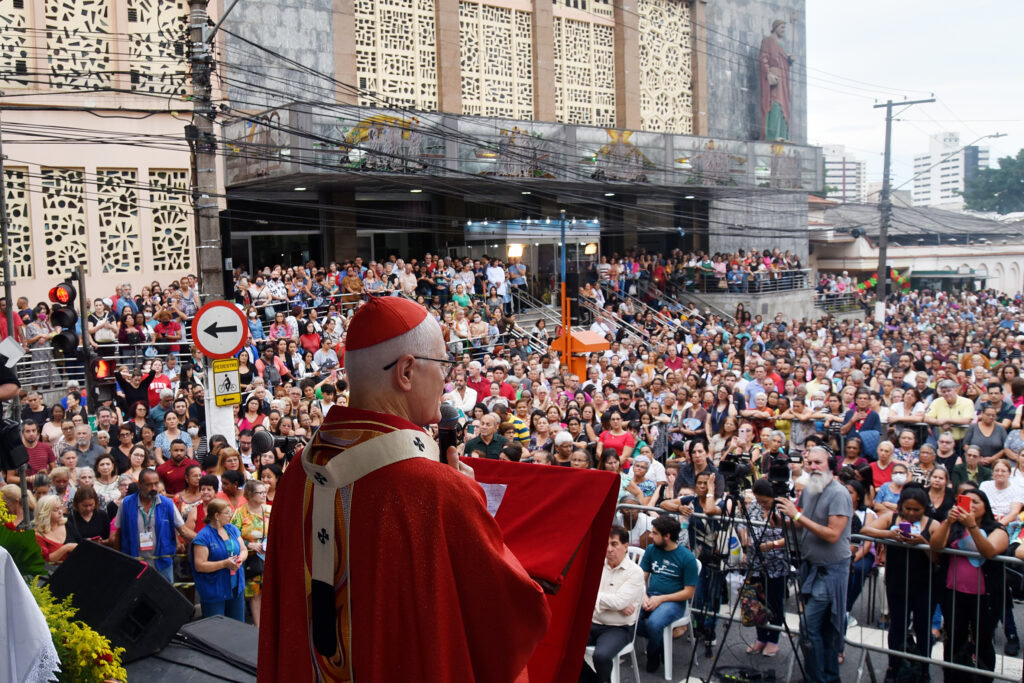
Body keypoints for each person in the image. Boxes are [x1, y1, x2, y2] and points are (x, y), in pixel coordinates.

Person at [259, 295, 549, 681]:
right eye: (443, 365)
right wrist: (470, 502)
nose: (447, 380)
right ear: (407, 372)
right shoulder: (436, 489)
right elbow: (511, 617)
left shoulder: (299, 470)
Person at [775, 446, 852, 683]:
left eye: (818, 462)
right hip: (811, 567)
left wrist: (796, 516)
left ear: (830, 464)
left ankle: (818, 678)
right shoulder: (809, 489)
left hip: (831, 572)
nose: (813, 467)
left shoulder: (839, 493)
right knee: (823, 630)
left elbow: (832, 534)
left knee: (808, 628)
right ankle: (826, 677)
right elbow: (801, 524)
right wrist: (781, 518)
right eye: (810, 463)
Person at [929, 487, 1009, 682]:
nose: (971, 505)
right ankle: (953, 678)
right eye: (967, 501)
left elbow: (989, 551)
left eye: (976, 502)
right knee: (954, 639)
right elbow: (935, 546)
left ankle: (981, 679)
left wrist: (972, 527)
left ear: (986, 507)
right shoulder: (953, 527)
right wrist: (948, 521)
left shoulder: (997, 529)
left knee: (982, 641)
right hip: (953, 593)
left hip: (985, 597)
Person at [861, 484, 939, 682]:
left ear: (924, 509)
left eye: (917, 510)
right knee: (897, 626)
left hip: (925, 584)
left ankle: (923, 669)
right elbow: (865, 529)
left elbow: (938, 558)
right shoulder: (891, 518)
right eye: (908, 509)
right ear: (901, 507)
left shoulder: (933, 524)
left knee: (923, 628)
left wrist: (922, 542)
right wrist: (889, 534)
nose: (911, 513)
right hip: (897, 581)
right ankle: (893, 667)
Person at [579, 526, 646, 683]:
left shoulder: (635, 572)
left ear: (626, 546)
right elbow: (583, 591)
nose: (609, 549)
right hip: (593, 622)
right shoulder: (597, 564)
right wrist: (615, 603)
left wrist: (596, 598)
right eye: (606, 544)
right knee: (565, 648)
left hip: (618, 628)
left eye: (614, 544)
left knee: (601, 656)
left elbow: (619, 601)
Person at [638, 515, 699, 674]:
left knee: (654, 624)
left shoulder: (686, 557)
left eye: (655, 533)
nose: (650, 536)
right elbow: (641, 578)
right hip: (650, 595)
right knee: (630, 619)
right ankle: (660, 643)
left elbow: (689, 592)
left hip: (673, 601)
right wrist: (644, 596)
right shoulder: (651, 550)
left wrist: (661, 599)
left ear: (667, 536)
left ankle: (653, 654)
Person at [112, 468, 196, 583]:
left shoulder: (167, 504)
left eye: (156, 484)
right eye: (149, 485)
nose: (154, 488)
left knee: (163, 597)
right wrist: (119, 559)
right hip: (135, 562)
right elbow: (119, 534)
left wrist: (207, 540)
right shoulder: (126, 503)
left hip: (162, 563)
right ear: (139, 485)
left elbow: (183, 530)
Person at [742, 478, 788, 658]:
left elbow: (793, 535)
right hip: (755, 561)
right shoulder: (754, 505)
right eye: (759, 500)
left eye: (765, 501)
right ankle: (760, 637)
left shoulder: (783, 508)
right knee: (757, 601)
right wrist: (744, 536)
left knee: (775, 602)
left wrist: (772, 545)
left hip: (777, 562)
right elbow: (742, 523)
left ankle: (773, 640)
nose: (761, 504)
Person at [192, 498, 248, 621]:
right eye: (227, 513)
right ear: (217, 515)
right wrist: (224, 564)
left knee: (237, 626)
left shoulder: (232, 529)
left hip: (235, 587)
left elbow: (244, 549)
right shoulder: (203, 537)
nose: (230, 516)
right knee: (216, 628)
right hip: (214, 590)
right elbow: (199, 565)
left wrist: (239, 560)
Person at [231, 480, 271, 627]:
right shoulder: (240, 513)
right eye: (260, 493)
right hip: (251, 559)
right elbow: (233, 535)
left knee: (270, 592)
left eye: (264, 492)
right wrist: (249, 544)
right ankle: (258, 627)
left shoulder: (269, 510)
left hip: (268, 558)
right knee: (254, 594)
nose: (263, 495)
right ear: (250, 494)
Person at [33, 494, 77, 563]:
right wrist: (66, 548)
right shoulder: (38, 535)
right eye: (56, 510)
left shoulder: (67, 524)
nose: (60, 512)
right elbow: (45, 560)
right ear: (46, 513)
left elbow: (80, 542)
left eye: (61, 508)